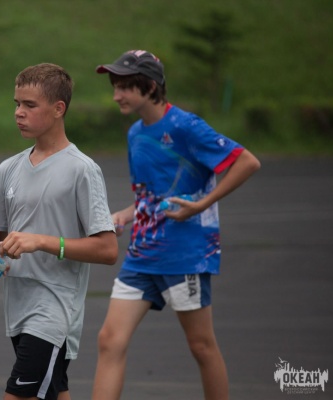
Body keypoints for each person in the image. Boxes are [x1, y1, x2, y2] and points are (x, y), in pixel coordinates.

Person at [91, 50, 261, 400]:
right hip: (141, 256)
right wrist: (124, 215)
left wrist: (201, 204)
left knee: (201, 346)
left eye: (124, 87)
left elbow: (247, 162)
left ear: (150, 86)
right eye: (114, 87)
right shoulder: (135, 133)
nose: (116, 95)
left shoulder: (186, 126)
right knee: (109, 340)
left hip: (185, 256)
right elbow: (149, 197)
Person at [0, 63, 118, 400]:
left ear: (58, 109)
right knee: (53, 392)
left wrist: (41, 241)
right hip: (18, 307)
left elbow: (107, 250)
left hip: (54, 310)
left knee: (18, 395)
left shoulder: (82, 170)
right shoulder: (8, 169)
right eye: (16, 104)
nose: (19, 113)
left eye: (29, 105)